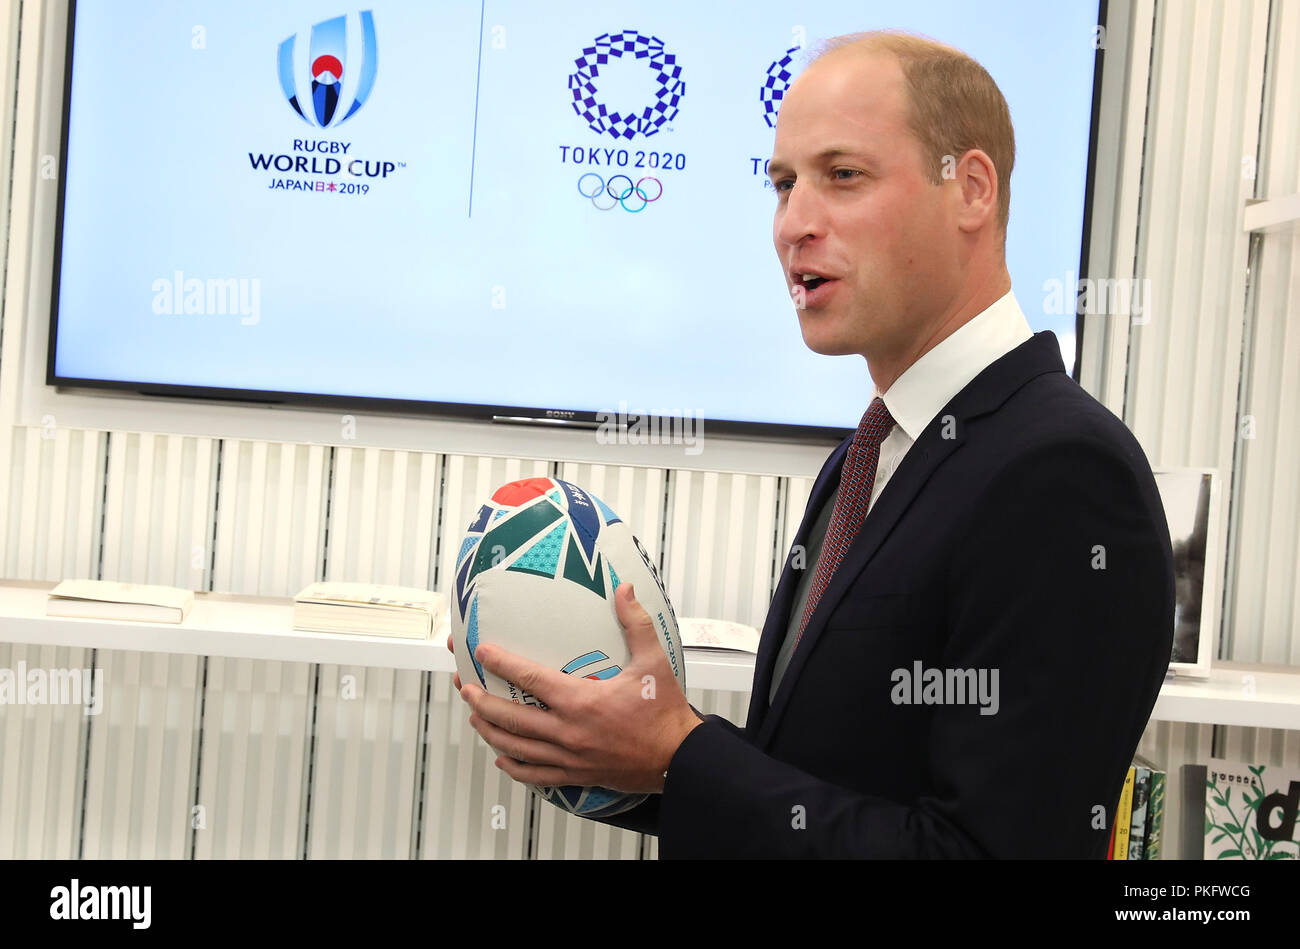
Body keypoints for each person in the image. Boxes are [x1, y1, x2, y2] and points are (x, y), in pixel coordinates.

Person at [452, 30, 1174, 858]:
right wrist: (615, 754)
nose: (794, 224)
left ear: (971, 189)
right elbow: (820, 781)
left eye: (843, 176)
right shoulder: (870, 455)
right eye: (784, 184)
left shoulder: (1064, 475)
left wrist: (678, 751)